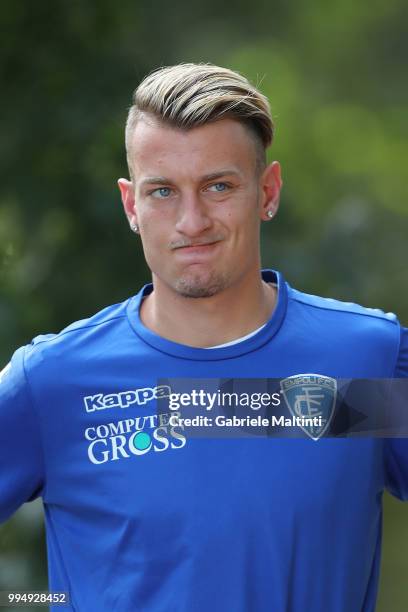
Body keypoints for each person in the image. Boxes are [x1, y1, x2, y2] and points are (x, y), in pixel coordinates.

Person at [0, 62, 407, 612]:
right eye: (163, 191)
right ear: (131, 206)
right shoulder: (54, 383)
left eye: (218, 186)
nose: (192, 221)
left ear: (267, 191)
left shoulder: (364, 359)